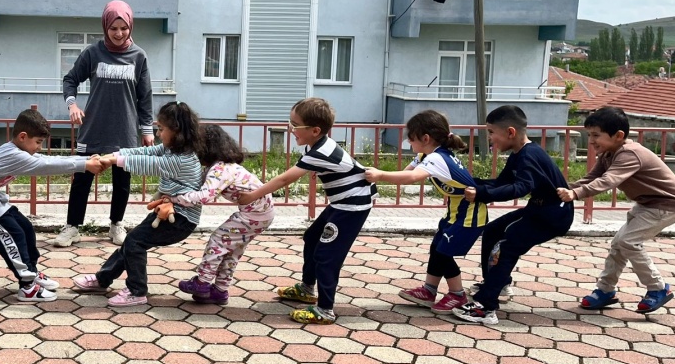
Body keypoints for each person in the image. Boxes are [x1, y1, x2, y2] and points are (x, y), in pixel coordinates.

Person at [239, 98, 377, 325]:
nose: (290, 129)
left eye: (295, 125)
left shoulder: (319, 151)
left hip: (352, 205)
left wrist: (252, 196)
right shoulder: (316, 145)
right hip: (342, 202)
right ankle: (306, 288)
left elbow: (286, 178)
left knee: (327, 255)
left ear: (315, 130)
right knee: (312, 237)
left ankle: (325, 309)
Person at [0, 108, 105, 304]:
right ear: (22, 136)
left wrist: (86, 160)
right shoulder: (15, 155)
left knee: (26, 229)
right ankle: (27, 286)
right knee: (14, 237)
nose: (39, 147)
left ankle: (31, 272)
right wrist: (85, 165)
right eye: (38, 142)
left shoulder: (15, 149)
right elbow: (44, 166)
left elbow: (46, 159)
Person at [72, 101, 204, 307]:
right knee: (131, 243)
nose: (158, 133)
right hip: (167, 210)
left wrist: (112, 161)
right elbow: (145, 153)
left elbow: (148, 164)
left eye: (161, 129)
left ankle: (136, 291)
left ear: (176, 130)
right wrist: (111, 156)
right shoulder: (172, 149)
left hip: (181, 219)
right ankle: (103, 279)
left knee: (135, 243)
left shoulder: (183, 159)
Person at [452, 105, 574, 326]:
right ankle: (496, 282)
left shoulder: (529, 156)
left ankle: (485, 307)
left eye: (491, 132)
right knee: (493, 231)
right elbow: (502, 183)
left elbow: (520, 188)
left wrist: (481, 194)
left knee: (507, 246)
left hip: (552, 216)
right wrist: (471, 183)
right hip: (539, 210)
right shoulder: (519, 154)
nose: (489, 138)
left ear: (510, 132)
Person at [365, 110, 486, 314]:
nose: (410, 144)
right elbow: (407, 172)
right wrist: (381, 175)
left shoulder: (437, 159)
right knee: (436, 248)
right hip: (455, 213)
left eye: (411, 140)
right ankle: (429, 290)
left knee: (444, 253)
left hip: (469, 216)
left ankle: (457, 295)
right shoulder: (428, 154)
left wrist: (380, 175)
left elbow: (412, 179)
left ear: (425, 138)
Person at [559, 106, 675, 314]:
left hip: (666, 205)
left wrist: (576, 194)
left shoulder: (630, 153)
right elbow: (592, 178)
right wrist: (568, 188)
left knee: (628, 241)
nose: (592, 141)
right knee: (619, 245)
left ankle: (658, 288)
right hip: (647, 204)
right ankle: (605, 291)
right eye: (589, 135)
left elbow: (609, 181)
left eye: (596, 135)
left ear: (619, 135)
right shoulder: (608, 153)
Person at [58, 0, 155, 248]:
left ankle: (116, 225)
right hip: (93, 129)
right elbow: (70, 80)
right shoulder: (93, 53)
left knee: (122, 183)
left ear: (130, 26)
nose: (119, 33)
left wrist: (147, 131)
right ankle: (72, 227)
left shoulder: (139, 56)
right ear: (105, 26)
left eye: (124, 28)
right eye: (114, 28)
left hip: (125, 131)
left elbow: (145, 97)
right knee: (81, 180)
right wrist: (72, 105)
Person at [170, 124, 275, 306]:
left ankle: (202, 283)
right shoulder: (222, 167)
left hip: (254, 214)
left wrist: (176, 198)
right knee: (231, 250)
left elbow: (205, 196)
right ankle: (219, 291)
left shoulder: (220, 169)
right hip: (261, 214)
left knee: (218, 240)